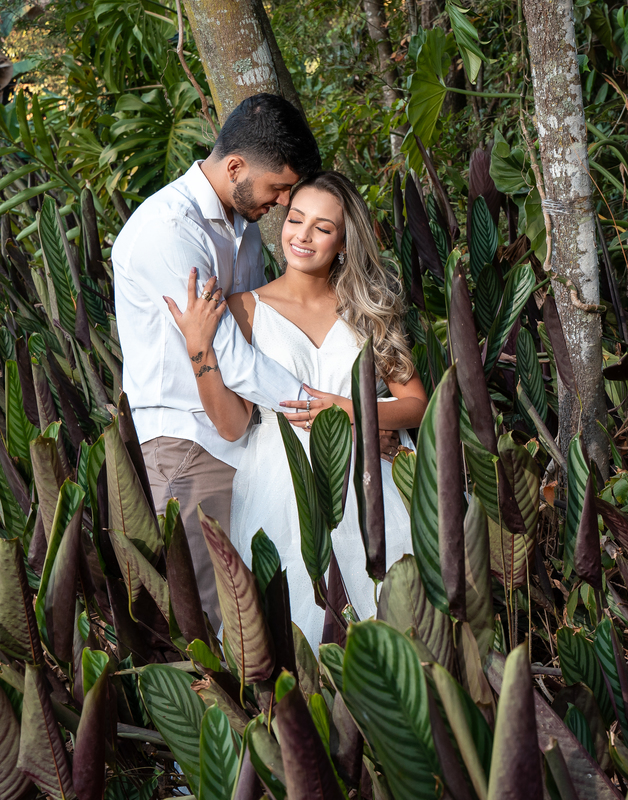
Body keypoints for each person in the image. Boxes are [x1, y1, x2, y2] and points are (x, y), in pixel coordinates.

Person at [165, 171, 428, 647]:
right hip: (281, 480)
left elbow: (418, 405)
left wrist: (351, 409)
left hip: (372, 480)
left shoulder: (367, 308)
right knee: (299, 628)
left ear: (344, 242)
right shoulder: (245, 308)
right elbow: (232, 425)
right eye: (295, 220)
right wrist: (199, 348)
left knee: (394, 617)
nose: (302, 236)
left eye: (322, 228)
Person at [112, 93, 322, 628]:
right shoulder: (169, 231)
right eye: (278, 188)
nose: (283, 202)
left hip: (245, 439)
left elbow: (262, 334)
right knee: (208, 621)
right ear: (235, 168)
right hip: (188, 446)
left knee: (255, 619)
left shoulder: (242, 227)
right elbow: (235, 358)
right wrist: (326, 413)